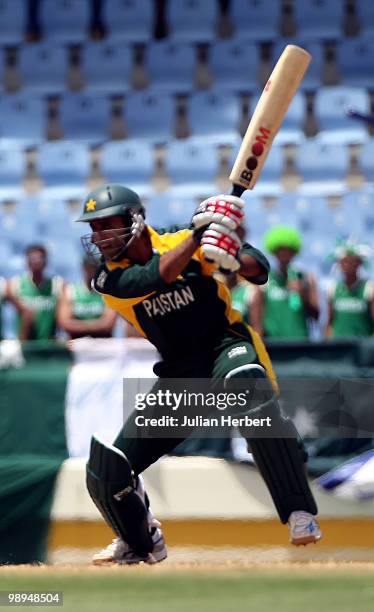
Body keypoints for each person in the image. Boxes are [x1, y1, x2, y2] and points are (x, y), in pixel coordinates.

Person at [78, 185, 321, 565]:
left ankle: (298, 512)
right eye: (94, 229)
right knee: (107, 470)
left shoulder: (181, 239)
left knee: (244, 386)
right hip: (182, 377)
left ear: (136, 220)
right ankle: (141, 543)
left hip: (226, 347)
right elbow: (152, 279)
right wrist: (199, 235)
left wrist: (230, 256)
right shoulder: (108, 280)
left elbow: (260, 270)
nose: (98, 237)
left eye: (106, 225)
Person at [251, 226, 319, 339]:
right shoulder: (265, 280)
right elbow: (257, 318)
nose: (284, 254)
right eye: (280, 251)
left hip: (300, 342)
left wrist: (302, 294)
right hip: (274, 344)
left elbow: (316, 316)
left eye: (288, 251)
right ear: (274, 252)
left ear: (294, 253)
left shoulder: (306, 278)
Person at [7, 244, 64, 340]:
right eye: (33, 258)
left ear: (46, 261)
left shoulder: (57, 285)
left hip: (49, 345)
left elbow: (61, 318)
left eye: (40, 258)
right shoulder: (15, 285)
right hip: (25, 345)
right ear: (27, 262)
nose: (37, 261)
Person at [57, 256, 117, 339]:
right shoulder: (71, 290)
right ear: (83, 268)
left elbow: (108, 324)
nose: (91, 271)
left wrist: (78, 325)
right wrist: (97, 325)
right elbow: (65, 323)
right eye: (88, 267)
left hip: (103, 345)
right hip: (77, 345)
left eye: (94, 267)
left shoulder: (107, 292)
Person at [325, 240, 374, 338]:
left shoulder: (369, 289)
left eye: (352, 261)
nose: (348, 265)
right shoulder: (333, 289)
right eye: (344, 261)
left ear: (359, 263)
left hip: (362, 348)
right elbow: (330, 322)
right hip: (339, 347)